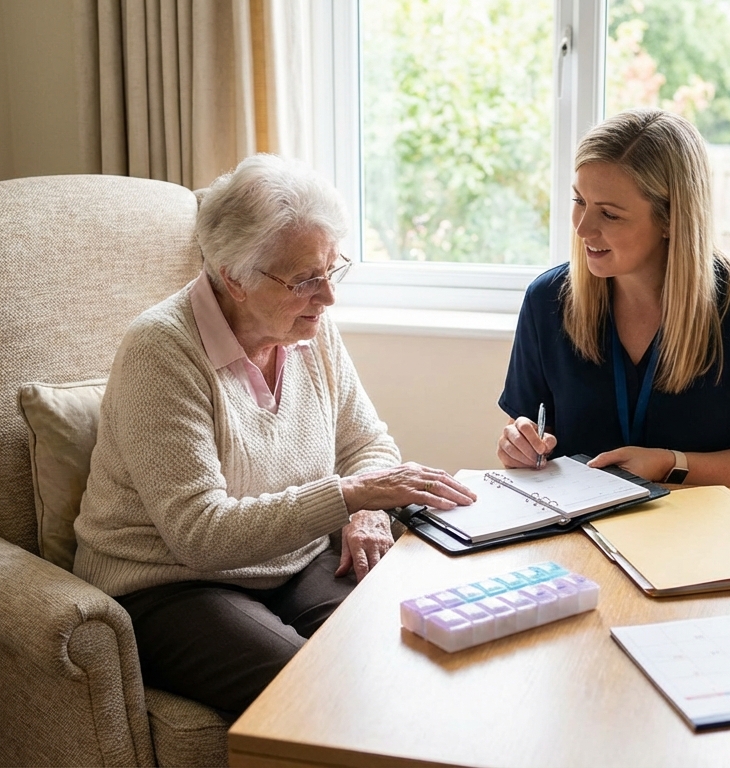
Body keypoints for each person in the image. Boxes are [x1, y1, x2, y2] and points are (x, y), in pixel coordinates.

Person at [73, 153, 475, 719]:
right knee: (312, 694)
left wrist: (367, 514)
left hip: (294, 561)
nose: (328, 297)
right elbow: (200, 534)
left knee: (403, 650)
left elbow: (366, 443)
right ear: (234, 276)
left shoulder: (308, 328)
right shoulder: (161, 351)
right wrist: (353, 495)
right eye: (306, 279)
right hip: (171, 584)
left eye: (332, 270)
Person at [497, 108, 730, 490]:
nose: (582, 228)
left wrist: (668, 464)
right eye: (579, 201)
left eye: (609, 214)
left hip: (702, 530)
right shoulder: (547, 300)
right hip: (579, 533)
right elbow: (526, 431)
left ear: (671, 219)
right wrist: (518, 446)